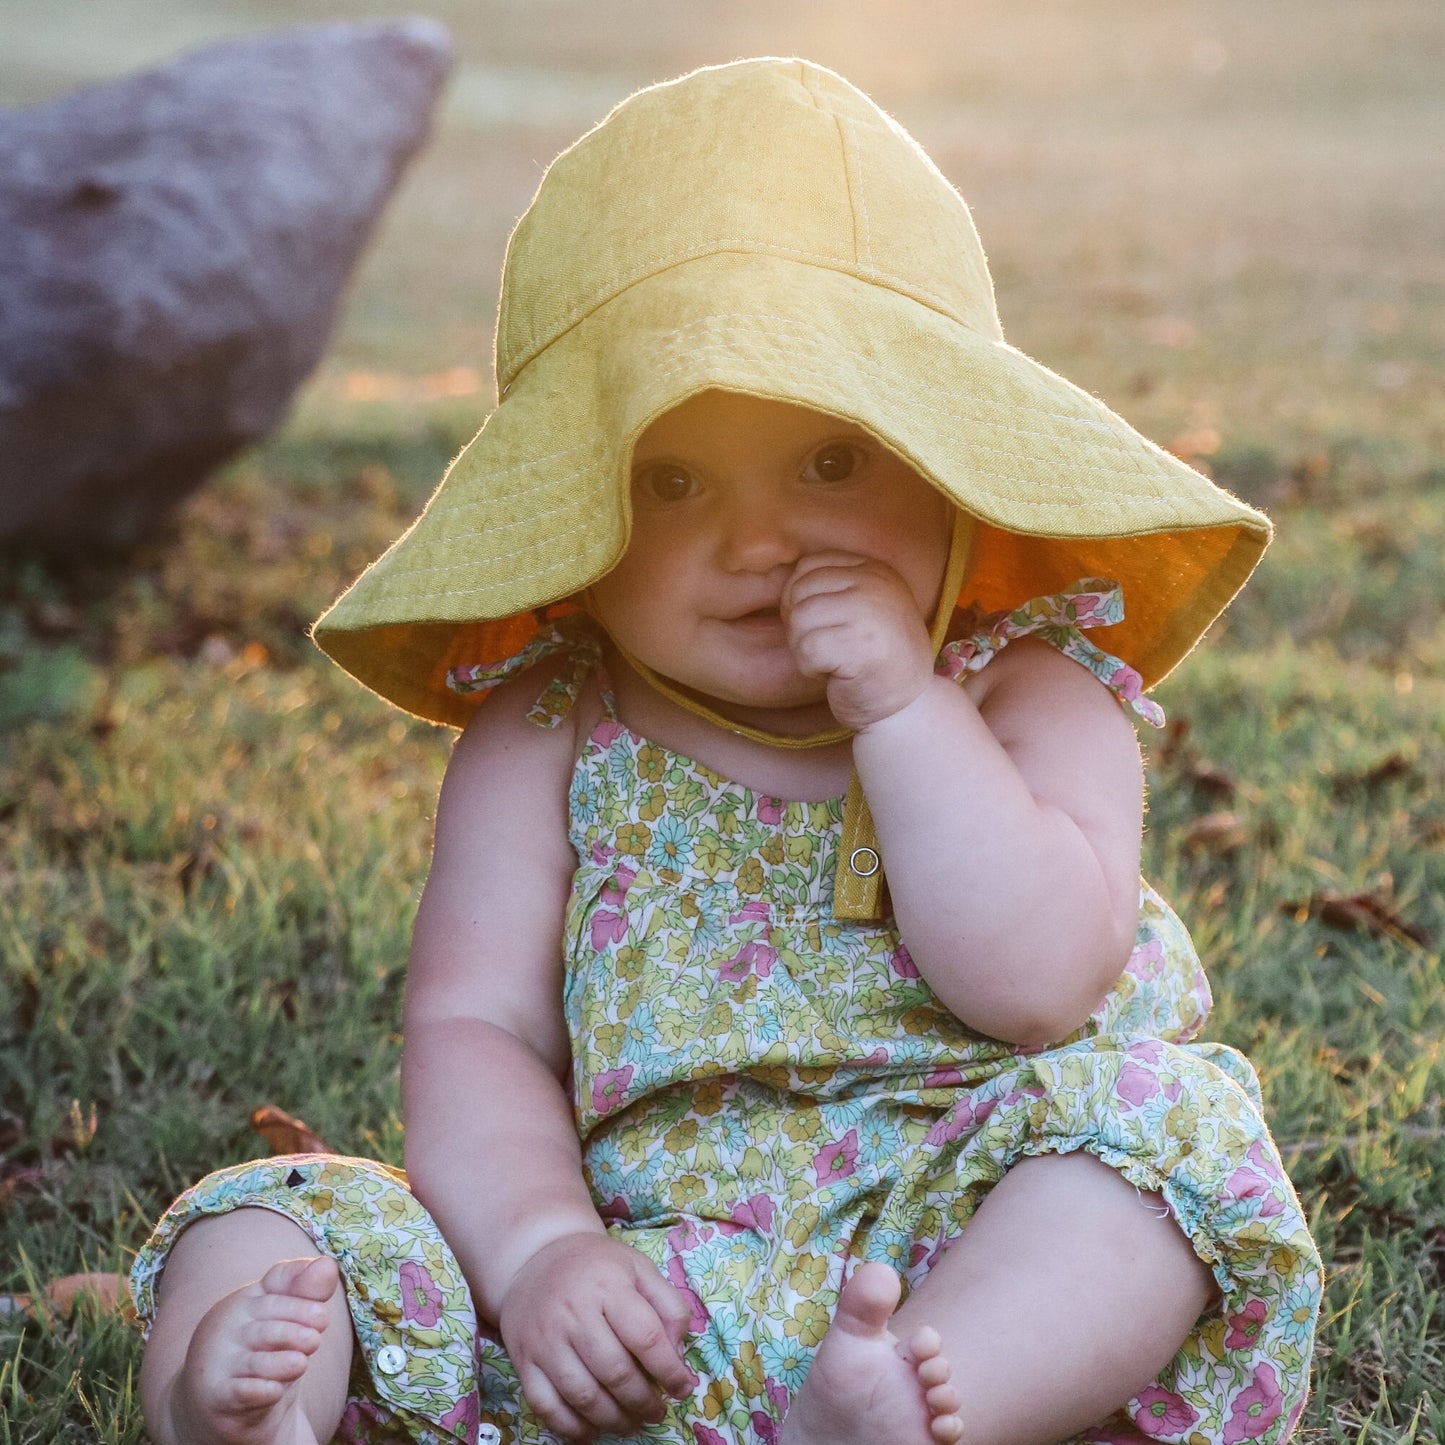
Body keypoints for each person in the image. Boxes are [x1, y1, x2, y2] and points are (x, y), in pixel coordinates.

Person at [130, 58, 1321, 1445]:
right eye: (672, 480)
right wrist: (539, 1259)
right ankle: (247, 1409)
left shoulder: (1028, 688)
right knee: (279, 1215)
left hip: (965, 1241)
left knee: (1157, 1141)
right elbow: (478, 1030)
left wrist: (901, 713)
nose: (758, 542)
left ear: (946, 465)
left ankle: (924, 1408)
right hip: (644, 1302)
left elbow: (1040, 984)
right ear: (579, 521)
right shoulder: (550, 728)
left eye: (828, 462)